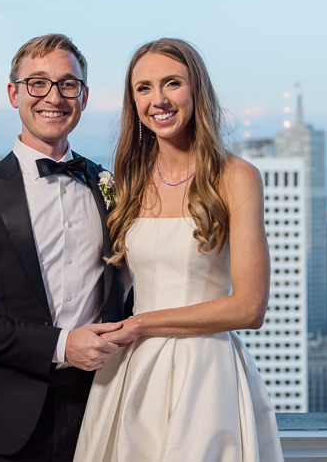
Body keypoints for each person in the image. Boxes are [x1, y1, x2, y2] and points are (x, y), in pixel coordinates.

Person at [73, 38, 281, 461]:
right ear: (133, 101)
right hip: (130, 372)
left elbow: (249, 309)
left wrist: (139, 325)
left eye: (172, 83)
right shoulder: (127, 183)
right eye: (144, 88)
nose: (159, 99)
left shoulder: (236, 177)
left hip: (205, 373)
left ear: (196, 91)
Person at [0, 33, 127, 462]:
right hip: (3, 419)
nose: (54, 97)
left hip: (104, 407)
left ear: (84, 96)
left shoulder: (112, 188)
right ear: (14, 93)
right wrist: (61, 346)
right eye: (38, 83)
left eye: (68, 84)